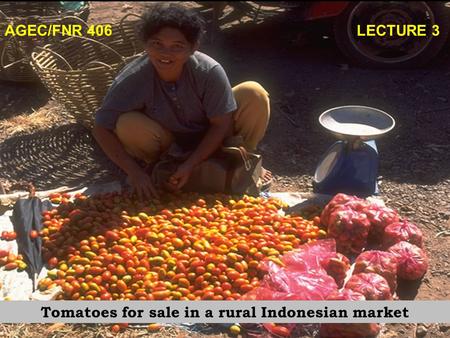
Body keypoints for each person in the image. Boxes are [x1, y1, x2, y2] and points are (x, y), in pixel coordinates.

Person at [92, 3, 271, 200]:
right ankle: (159, 167)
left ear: (193, 48)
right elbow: (101, 127)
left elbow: (221, 125)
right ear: (146, 44)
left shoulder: (209, 71)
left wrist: (190, 165)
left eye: (177, 46)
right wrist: (134, 172)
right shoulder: (133, 78)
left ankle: (244, 160)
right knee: (126, 123)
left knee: (253, 93)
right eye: (157, 44)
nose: (165, 54)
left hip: (214, 135)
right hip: (169, 144)